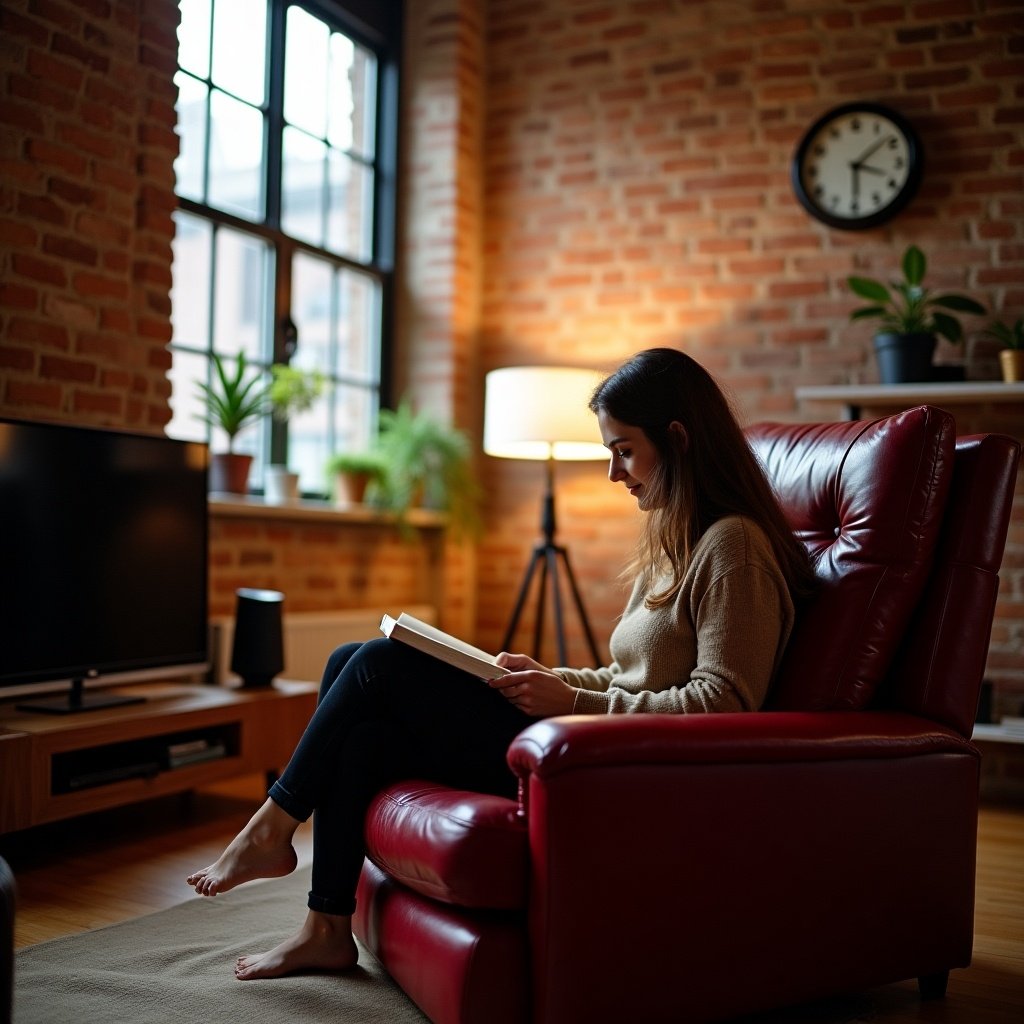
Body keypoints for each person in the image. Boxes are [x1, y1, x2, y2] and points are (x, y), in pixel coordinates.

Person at [186, 347, 815, 980]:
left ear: (677, 440)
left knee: (375, 663)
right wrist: (542, 676)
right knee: (360, 704)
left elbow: (724, 705)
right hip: (586, 735)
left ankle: (271, 826)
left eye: (623, 450)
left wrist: (572, 704)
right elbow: (627, 677)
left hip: (612, 766)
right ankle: (325, 927)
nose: (613, 473)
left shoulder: (735, 547)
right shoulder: (677, 542)